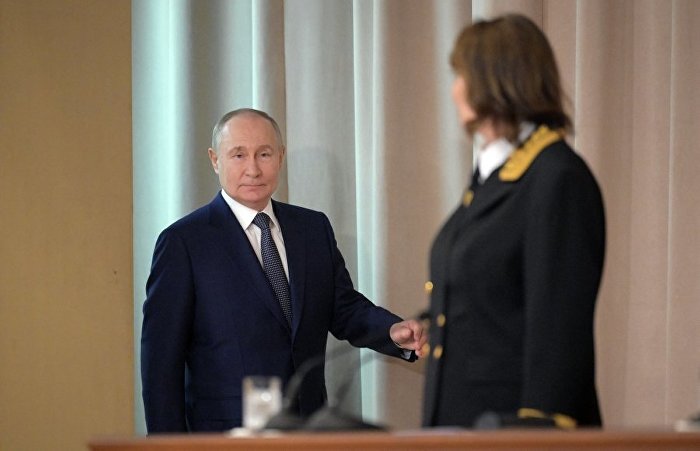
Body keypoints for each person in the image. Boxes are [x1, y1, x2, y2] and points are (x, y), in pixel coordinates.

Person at [141, 108, 426, 433]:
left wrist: (391, 331)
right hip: (227, 434)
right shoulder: (184, 242)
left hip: (309, 426)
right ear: (215, 160)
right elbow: (160, 361)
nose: (253, 169)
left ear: (280, 156)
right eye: (238, 155)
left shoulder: (312, 228)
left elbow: (342, 307)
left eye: (264, 154)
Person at [422, 14, 605, 429]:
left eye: (462, 75)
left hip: (512, 428)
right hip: (464, 422)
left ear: (494, 80)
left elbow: (559, 326)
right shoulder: (497, 175)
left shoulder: (556, 178)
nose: (454, 89)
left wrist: (538, 427)